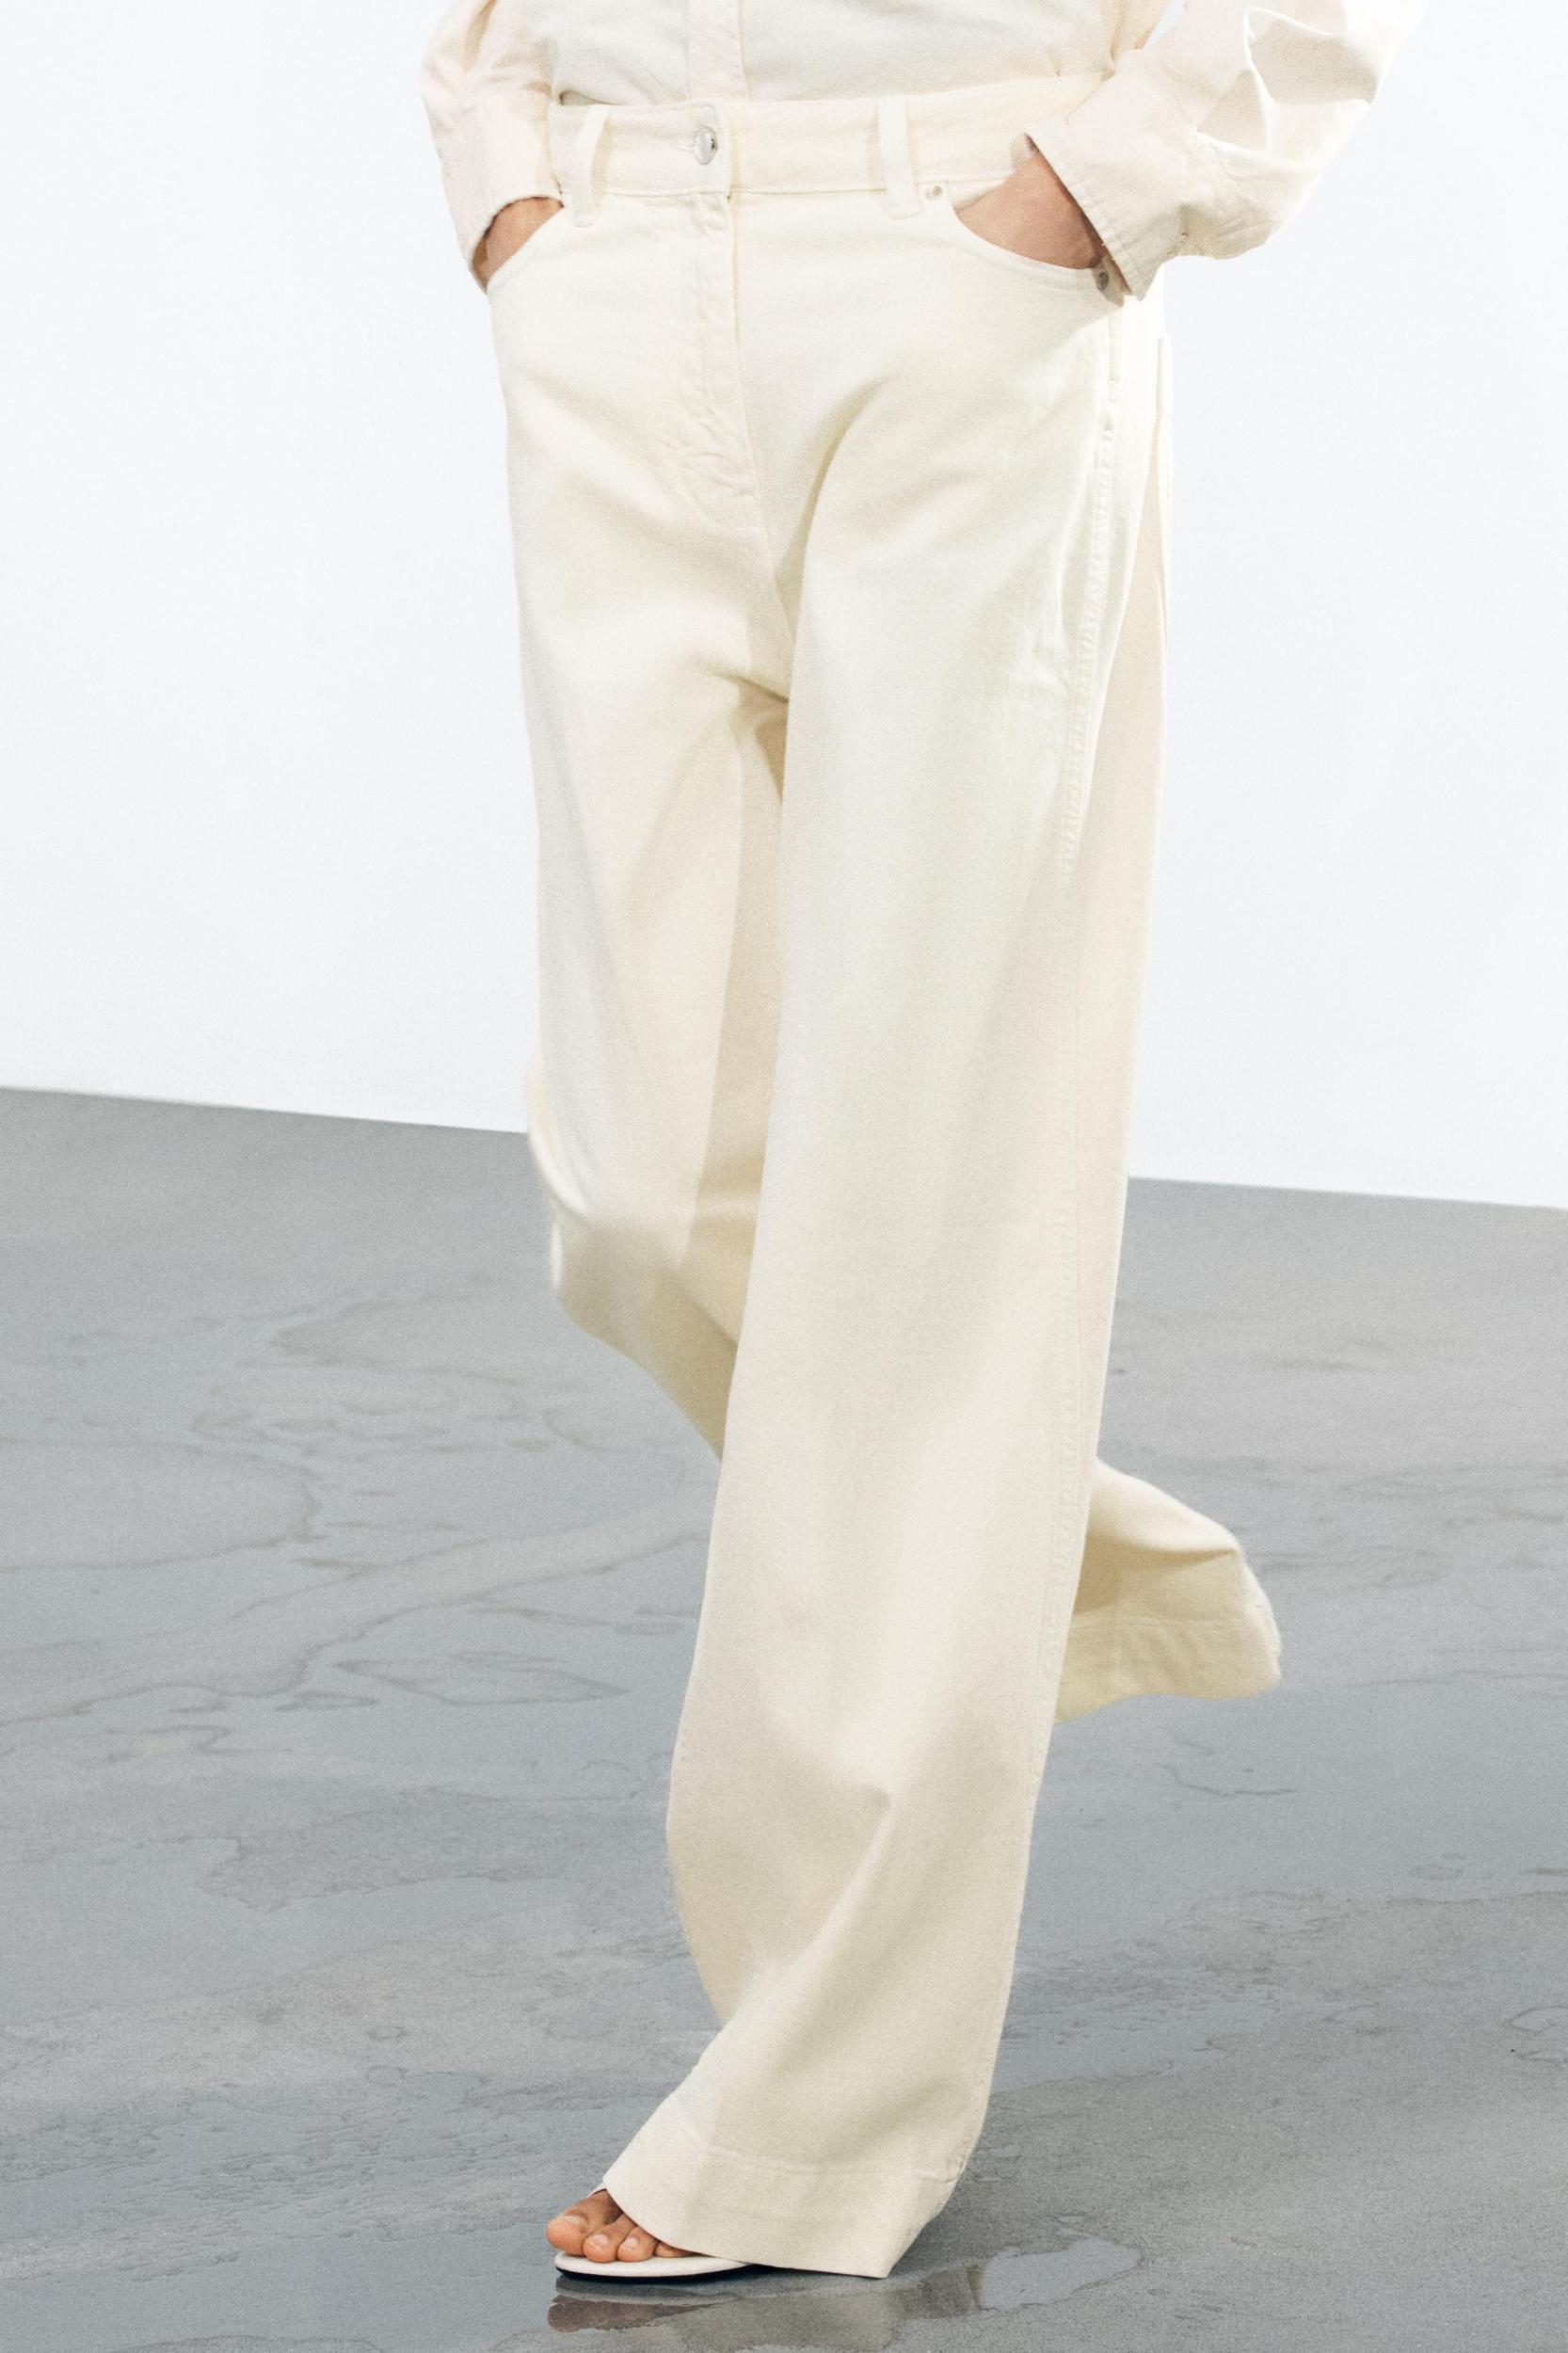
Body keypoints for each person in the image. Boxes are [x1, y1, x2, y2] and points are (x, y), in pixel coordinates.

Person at [421, 0, 1421, 2284]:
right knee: (637, 1188)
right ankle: (1009, 1538)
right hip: (611, 250)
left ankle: (814, 2109)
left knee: (920, 1180)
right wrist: (499, 162)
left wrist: (1100, 188)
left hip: (964, 262)